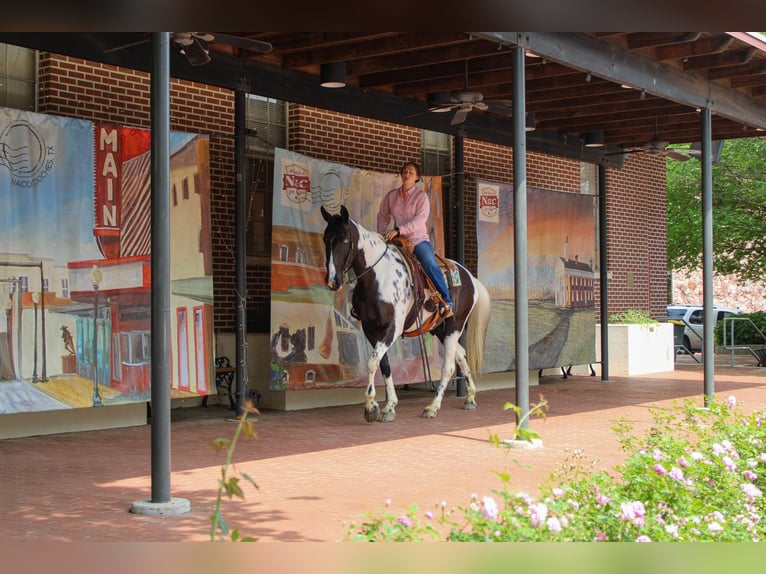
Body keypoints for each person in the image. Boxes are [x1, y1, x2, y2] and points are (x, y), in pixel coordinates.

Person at [377, 161, 454, 318]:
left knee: (429, 263)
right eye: (405, 171)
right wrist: (381, 234)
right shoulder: (392, 196)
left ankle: (446, 301)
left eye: (411, 172)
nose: (407, 174)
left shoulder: (421, 197)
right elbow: (383, 215)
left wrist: (398, 230)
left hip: (417, 239)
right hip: (397, 241)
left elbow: (420, 220)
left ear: (417, 177)